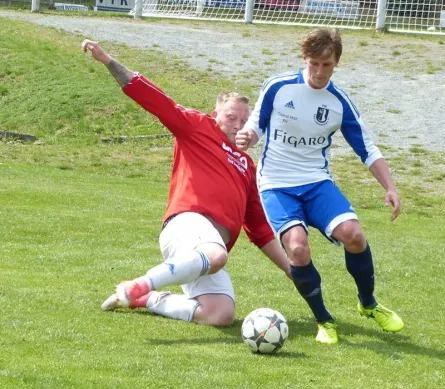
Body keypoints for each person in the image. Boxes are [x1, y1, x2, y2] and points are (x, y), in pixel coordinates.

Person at [81, 39, 291, 326]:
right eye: (232, 117)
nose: (238, 124)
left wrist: (293, 270)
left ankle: (145, 299)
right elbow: (156, 100)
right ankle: (140, 285)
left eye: (245, 120)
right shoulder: (197, 126)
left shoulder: (247, 165)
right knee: (216, 255)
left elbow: (260, 231)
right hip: (187, 227)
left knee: (220, 315)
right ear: (216, 113)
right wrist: (109, 61)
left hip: (204, 250)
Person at [235, 28, 404, 344]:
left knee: (354, 235)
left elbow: (367, 148)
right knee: (297, 247)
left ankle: (368, 304)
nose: (318, 71)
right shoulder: (278, 87)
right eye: (313, 63)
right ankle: (324, 321)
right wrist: (247, 137)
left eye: (326, 65)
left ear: (336, 63)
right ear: (304, 59)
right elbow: (255, 127)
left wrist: (390, 186)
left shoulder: (339, 102)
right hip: (276, 184)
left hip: (316, 182)